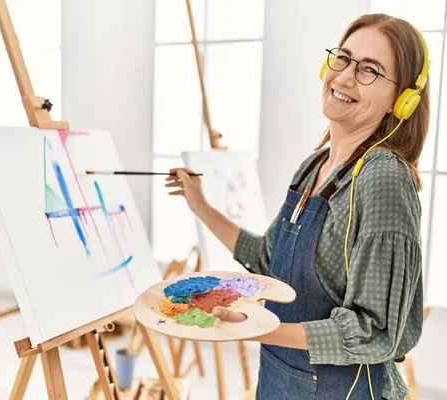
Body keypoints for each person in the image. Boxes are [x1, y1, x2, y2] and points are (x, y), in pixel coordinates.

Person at [166, 13, 429, 400]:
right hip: (280, 379)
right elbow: (267, 256)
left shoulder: (383, 179)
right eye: (343, 57)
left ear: (401, 101)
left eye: (370, 70)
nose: (343, 77)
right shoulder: (314, 167)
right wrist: (200, 205)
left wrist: (259, 328)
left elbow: (376, 330)